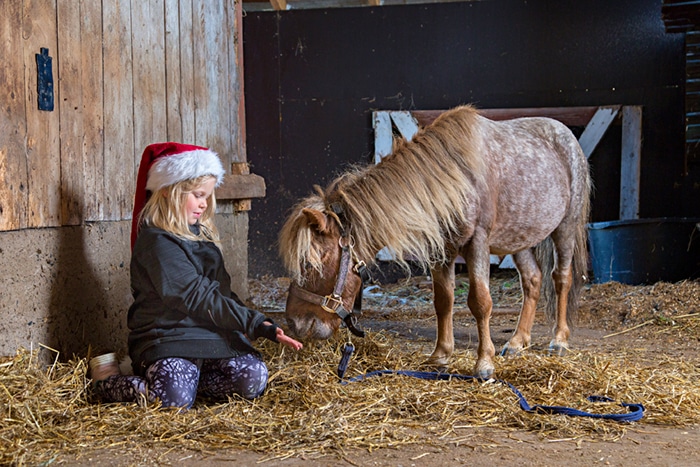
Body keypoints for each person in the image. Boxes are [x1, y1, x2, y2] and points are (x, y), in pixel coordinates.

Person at [90, 142, 302, 410]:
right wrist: (254, 322)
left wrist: (245, 326)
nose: (203, 204)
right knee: (172, 401)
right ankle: (107, 380)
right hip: (168, 338)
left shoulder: (202, 236)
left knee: (253, 378)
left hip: (209, 336)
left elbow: (222, 293)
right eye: (198, 195)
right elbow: (195, 295)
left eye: (207, 197)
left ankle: (186, 382)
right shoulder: (157, 242)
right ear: (168, 191)